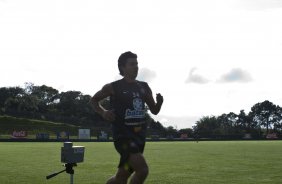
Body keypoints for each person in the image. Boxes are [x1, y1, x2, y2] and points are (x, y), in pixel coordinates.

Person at [91, 51, 163, 184]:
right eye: (132, 64)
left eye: (137, 64)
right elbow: (94, 100)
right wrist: (103, 112)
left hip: (139, 138)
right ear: (123, 67)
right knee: (142, 170)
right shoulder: (113, 87)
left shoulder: (144, 87)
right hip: (123, 138)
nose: (136, 67)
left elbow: (154, 111)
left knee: (121, 177)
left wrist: (159, 103)